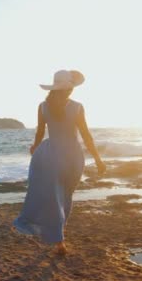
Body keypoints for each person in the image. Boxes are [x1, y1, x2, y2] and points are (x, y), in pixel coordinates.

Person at [13, 70, 106, 255]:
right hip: (72, 157)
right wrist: (97, 159)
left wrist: (35, 148)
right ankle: (59, 238)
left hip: (49, 156)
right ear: (69, 89)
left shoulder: (42, 107)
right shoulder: (77, 107)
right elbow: (86, 136)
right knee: (65, 197)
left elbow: (40, 133)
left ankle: (59, 240)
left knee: (53, 197)